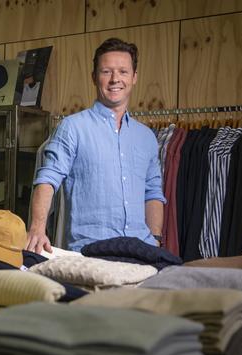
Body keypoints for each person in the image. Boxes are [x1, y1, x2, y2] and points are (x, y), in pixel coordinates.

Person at [27, 38, 165, 254]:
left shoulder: (146, 137)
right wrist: (37, 229)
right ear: (94, 77)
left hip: (142, 251)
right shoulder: (72, 127)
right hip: (92, 252)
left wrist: (155, 240)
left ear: (134, 77)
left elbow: (153, 192)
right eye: (106, 71)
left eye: (123, 71)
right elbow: (48, 179)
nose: (115, 79)